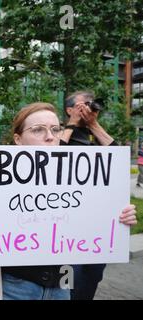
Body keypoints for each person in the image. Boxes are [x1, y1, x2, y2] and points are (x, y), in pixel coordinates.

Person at [0, 102, 138, 300]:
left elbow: (112, 169)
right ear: (18, 139)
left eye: (55, 129)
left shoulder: (74, 173)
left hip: (62, 282)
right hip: (15, 286)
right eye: (38, 130)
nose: (50, 136)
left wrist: (119, 217)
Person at [61, 90, 121, 300]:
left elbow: (117, 159)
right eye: (83, 104)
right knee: (67, 284)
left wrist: (94, 125)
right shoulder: (60, 133)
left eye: (91, 104)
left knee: (91, 278)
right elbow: (51, 158)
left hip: (94, 232)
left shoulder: (94, 137)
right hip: (65, 234)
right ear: (70, 110)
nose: (89, 107)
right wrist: (72, 123)